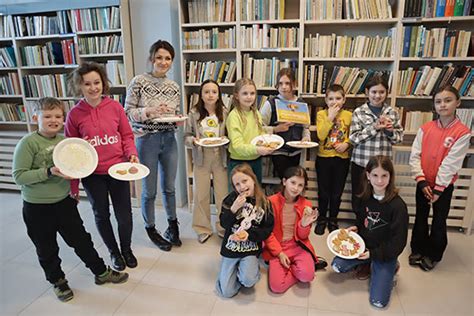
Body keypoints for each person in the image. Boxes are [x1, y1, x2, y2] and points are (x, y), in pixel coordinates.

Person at [12, 97, 129, 302]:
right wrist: (48, 171)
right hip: (37, 208)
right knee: (46, 248)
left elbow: (76, 168)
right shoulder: (28, 143)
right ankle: (58, 281)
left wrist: (75, 187)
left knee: (82, 240)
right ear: (35, 117)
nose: (53, 120)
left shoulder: (67, 144)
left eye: (58, 116)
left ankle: (101, 272)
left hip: (64, 202)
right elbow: (19, 176)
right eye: (47, 116)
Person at [65, 62, 138, 272]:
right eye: (87, 84)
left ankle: (126, 249)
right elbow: (72, 152)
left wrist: (132, 154)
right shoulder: (74, 115)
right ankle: (114, 252)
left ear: (103, 83)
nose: (93, 87)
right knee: (101, 214)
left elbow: (126, 135)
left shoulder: (115, 107)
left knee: (124, 215)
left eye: (96, 82)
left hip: (118, 170)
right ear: (80, 86)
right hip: (92, 175)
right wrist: (73, 186)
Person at [331, 155, 408, 309]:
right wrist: (356, 229)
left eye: (384, 175)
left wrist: (375, 254)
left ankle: (389, 266)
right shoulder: (364, 197)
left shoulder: (398, 206)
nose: (379, 181)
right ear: (368, 176)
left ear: (390, 177)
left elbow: (398, 243)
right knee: (337, 266)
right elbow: (362, 221)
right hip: (364, 248)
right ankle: (367, 263)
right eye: (375, 175)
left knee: (378, 302)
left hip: (384, 253)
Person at [125, 40, 181, 251]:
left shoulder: (173, 86)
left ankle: (172, 225)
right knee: (149, 190)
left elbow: (173, 114)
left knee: (169, 187)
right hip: (146, 140)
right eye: (159, 57)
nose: (163, 62)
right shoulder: (138, 81)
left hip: (169, 138)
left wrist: (175, 117)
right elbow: (127, 112)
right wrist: (147, 112)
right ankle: (151, 228)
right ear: (151, 59)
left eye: (167, 58)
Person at [408, 85, 470, 271]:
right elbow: (415, 155)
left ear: (457, 102)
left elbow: (451, 163)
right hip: (423, 183)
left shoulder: (462, 132)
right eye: (438, 101)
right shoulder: (426, 128)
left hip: (443, 187)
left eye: (448, 100)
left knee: (439, 220)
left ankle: (433, 253)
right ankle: (418, 248)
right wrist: (421, 179)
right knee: (420, 216)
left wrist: (438, 188)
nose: (442, 105)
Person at [215, 163, 274, 298]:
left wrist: (250, 234)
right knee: (227, 292)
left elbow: (267, 230)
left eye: (245, 181)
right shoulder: (231, 200)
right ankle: (232, 270)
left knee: (249, 281)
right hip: (231, 248)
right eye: (237, 184)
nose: (242, 187)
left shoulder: (265, 203)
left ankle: (246, 271)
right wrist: (233, 209)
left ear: (253, 179)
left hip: (250, 249)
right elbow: (224, 223)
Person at [349, 76, 403, 213]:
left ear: (386, 93)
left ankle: (375, 227)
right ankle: (360, 225)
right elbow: (353, 139)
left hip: (382, 166)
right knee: (358, 196)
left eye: (381, 92)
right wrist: (374, 128)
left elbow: (398, 139)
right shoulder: (358, 112)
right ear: (367, 92)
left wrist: (390, 132)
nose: (377, 96)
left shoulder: (392, 112)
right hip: (362, 163)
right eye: (374, 92)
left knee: (380, 197)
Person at [184, 79, 228, 243]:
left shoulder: (224, 111)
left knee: (222, 195)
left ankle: (223, 227)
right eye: (206, 92)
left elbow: (230, 134)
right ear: (201, 95)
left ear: (218, 95)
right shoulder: (194, 113)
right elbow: (186, 136)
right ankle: (202, 228)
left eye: (214, 92)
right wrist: (193, 141)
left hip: (220, 157)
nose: (210, 95)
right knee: (200, 194)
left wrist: (226, 138)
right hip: (201, 158)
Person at [263, 166, 319, 293]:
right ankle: (297, 267)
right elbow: (267, 233)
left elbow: (303, 237)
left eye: (300, 185)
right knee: (277, 287)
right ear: (284, 181)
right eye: (293, 182)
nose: (295, 188)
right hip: (277, 247)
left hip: (297, 245)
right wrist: (279, 253)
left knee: (308, 276)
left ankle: (298, 267)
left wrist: (304, 225)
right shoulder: (270, 202)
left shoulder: (307, 205)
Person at [259, 68, 311, 179]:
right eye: (281, 83)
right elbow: (259, 128)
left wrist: (306, 138)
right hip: (278, 151)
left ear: (294, 84)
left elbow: (306, 127)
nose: (284, 87)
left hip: (297, 151)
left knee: (295, 180)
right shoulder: (271, 103)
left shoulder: (301, 104)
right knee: (286, 180)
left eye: (287, 83)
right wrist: (276, 129)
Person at [315, 84, 352, 235]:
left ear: (344, 100)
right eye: (331, 98)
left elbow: (353, 135)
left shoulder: (349, 116)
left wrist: (347, 144)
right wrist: (330, 117)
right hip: (323, 158)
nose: (334, 102)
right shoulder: (321, 114)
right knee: (323, 192)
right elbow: (321, 135)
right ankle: (322, 219)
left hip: (341, 159)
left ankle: (333, 219)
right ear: (325, 100)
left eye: (338, 98)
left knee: (337, 193)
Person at [226, 78, 274, 183]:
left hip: (256, 160)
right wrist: (257, 150)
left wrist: (267, 142)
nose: (249, 97)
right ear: (237, 96)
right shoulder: (234, 116)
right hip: (239, 162)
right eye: (245, 93)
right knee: (241, 195)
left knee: (256, 193)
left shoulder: (255, 112)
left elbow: (260, 133)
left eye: (252, 93)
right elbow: (237, 146)